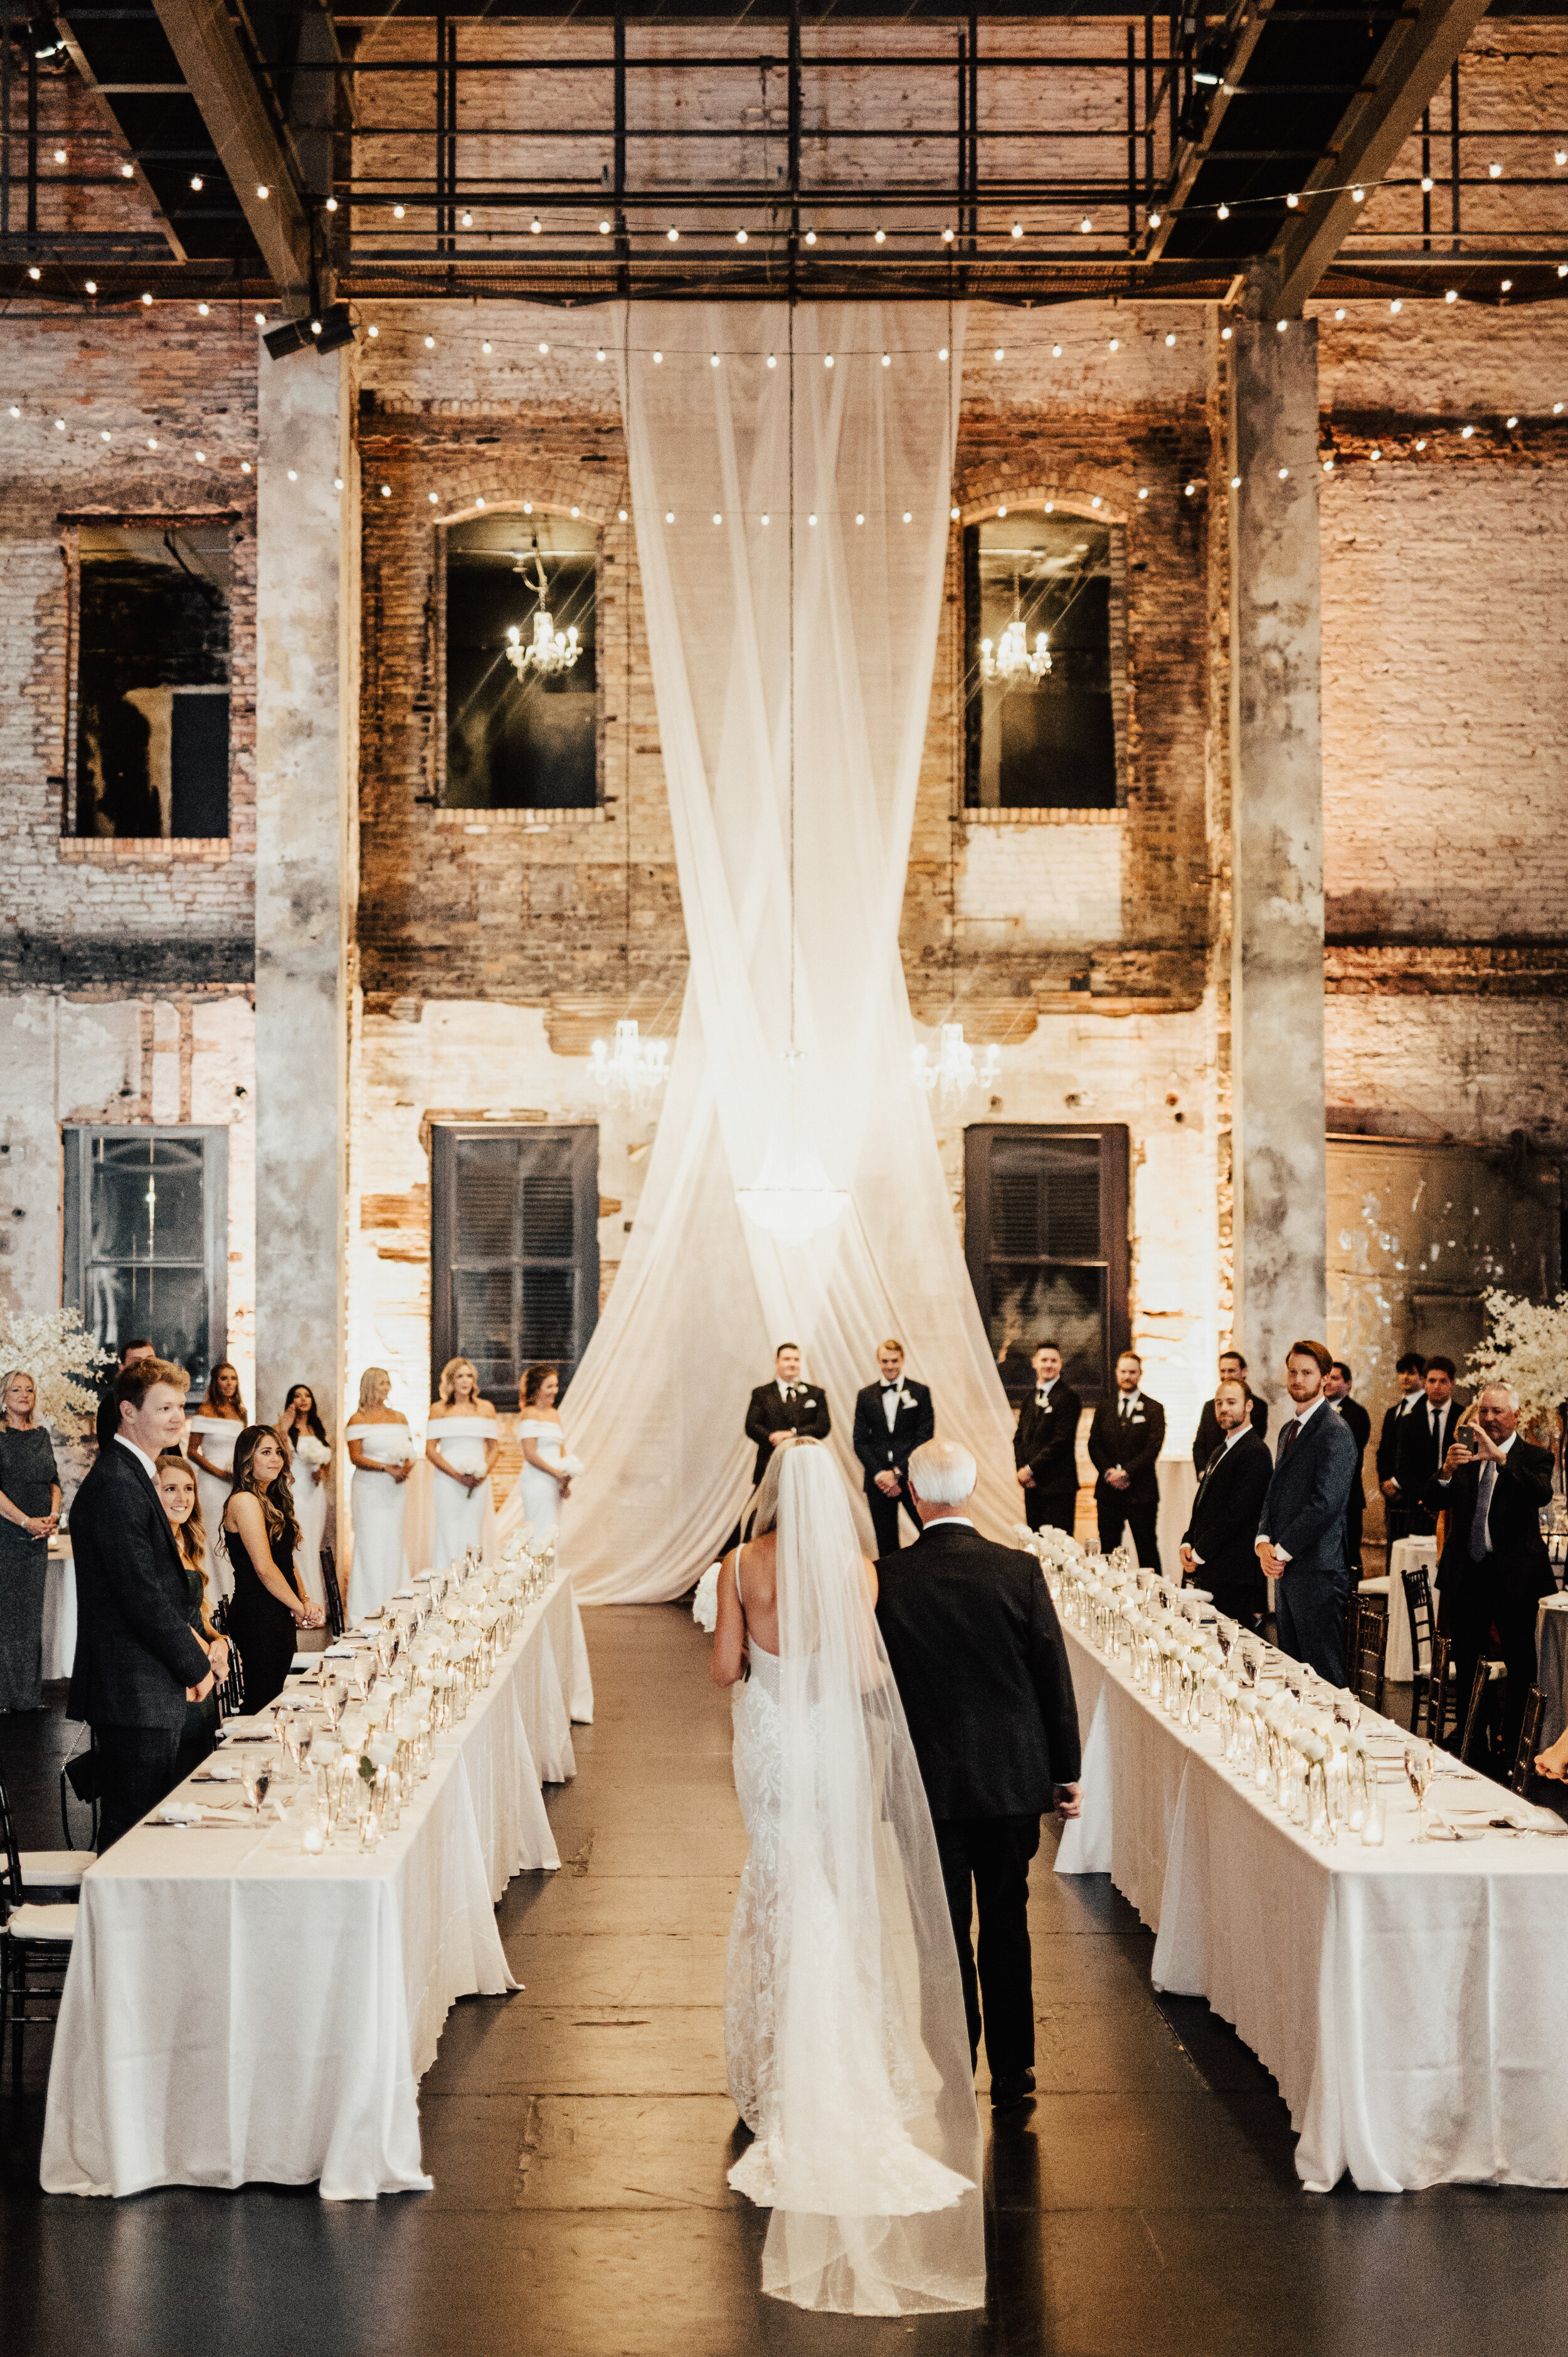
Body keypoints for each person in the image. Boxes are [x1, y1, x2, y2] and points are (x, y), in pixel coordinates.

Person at [709, 1435, 984, 2316]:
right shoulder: (859, 1571)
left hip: (769, 1737)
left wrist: (762, 1658)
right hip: (830, 1736)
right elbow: (869, 1672)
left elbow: (723, 1668)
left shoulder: (738, 1566)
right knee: (828, 1877)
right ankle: (841, 2051)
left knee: (778, 1875)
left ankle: (783, 2055)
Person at [875, 1437, 1080, 2115]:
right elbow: (1051, 1675)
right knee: (1006, 1921)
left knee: (941, 1930)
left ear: (911, 1493)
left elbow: (875, 1691)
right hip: (1009, 1779)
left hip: (926, 1782)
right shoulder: (1017, 1571)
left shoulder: (886, 1577)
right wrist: (1066, 1772)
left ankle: (955, 2061)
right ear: (967, 1492)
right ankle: (1015, 2067)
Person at [66, 1355, 216, 1849]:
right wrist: (195, 1666)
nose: (177, 1416)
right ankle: (112, 1927)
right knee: (130, 1831)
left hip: (145, 1681)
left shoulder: (134, 1475)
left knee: (144, 1825)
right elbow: (140, 1595)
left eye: (180, 1406)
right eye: (164, 1406)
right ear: (129, 1411)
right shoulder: (117, 1483)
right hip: (132, 1685)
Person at [1425, 1382, 1553, 1774]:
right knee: (1467, 1663)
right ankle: (1470, 1744)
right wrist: (1447, 1470)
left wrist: (1498, 1457)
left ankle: (1513, 1747)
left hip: (1515, 1579)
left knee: (1520, 1663)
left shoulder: (1535, 1456)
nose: (1490, 1419)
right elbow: (1433, 1500)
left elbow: (1540, 1494)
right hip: (1469, 1576)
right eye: (1484, 1411)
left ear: (1516, 1416)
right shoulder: (1463, 1460)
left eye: (1498, 1412)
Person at [1254, 1340, 1362, 1685]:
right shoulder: (1289, 1429)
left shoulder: (1336, 1431)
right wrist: (1263, 1540)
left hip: (1318, 1570)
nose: (1298, 1379)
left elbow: (1325, 1504)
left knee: (1324, 1677)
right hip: (1287, 1569)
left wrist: (1281, 1552)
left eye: (1307, 1373)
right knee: (1292, 1671)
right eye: (1293, 1372)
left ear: (1326, 1379)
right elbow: (1274, 1492)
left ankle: (1337, 1740)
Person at [222, 1425, 324, 1712]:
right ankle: (244, 1754)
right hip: (257, 1614)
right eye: (266, 1452)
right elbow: (264, 1568)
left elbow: (285, 1561)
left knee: (272, 1696)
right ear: (247, 1459)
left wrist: (302, 1600)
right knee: (261, 1702)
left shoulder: (271, 1501)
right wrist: (299, 1607)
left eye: (278, 1452)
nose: (276, 1459)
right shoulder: (244, 1501)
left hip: (276, 1610)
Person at [155, 1451, 231, 1778]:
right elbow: (166, 1617)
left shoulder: (184, 1540)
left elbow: (196, 1614)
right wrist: (206, 1655)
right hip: (176, 1675)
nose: (183, 1497)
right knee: (179, 1774)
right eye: (171, 1489)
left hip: (201, 1668)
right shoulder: (153, 1546)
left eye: (189, 1488)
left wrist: (220, 1642)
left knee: (200, 1768)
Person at [1179, 1378, 1274, 1626]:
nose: (1224, 1409)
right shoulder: (1220, 1450)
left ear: (1249, 1406)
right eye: (1219, 1403)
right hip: (1211, 1566)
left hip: (1234, 1574)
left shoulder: (1255, 1451)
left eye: (1232, 1402)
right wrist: (1187, 1540)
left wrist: (1199, 1553)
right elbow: (1202, 1504)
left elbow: (1236, 1514)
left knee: (1226, 1647)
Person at [0, 1370, 61, 1711]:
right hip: (6, 1536)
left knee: (30, 1616)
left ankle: (28, 1696)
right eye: (16, 1389)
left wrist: (52, 1517)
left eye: (29, 1390)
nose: (24, 1395)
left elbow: (53, 1481)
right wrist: (24, 1521)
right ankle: (5, 1696)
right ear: (4, 1396)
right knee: (7, 1616)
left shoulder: (41, 1435)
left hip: (36, 1537)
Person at [850, 1337, 934, 1554]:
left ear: (903, 1360)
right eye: (885, 1361)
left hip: (911, 1477)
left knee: (929, 1534)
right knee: (885, 1544)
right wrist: (880, 1474)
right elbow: (860, 1440)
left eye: (894, 1361)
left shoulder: (920, 1392)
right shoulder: (865, 1395)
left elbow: (924, 1437)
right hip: (878, 1482)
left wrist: (897, 1473)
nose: (890, 1366)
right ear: (878, 1361)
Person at [1087, 1351, 1165, 1569]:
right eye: (1123, 1372)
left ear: (1140, 1374)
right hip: (1108, 1492)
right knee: (1108, 1551)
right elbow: (1094, 1444)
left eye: (1132, 1372)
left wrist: (1126, 1473)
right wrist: (1109, 1473)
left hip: (1141, 1492)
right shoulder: (1104, 1407)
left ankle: (1156, 1598)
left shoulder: (1154, 1409)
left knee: (1147, 1549)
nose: (1127, 1376)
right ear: (1116, 1373)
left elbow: (1153, 1449)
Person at [346, 1368, 414, 1614]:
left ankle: (396, 1602)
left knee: (393, 1541)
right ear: (369, 1387)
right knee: (370, 1542)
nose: (386, 1388)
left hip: (395, 1488)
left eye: (388, 1383)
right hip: (370, 1489)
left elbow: (409, 1449)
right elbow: (355, 1457)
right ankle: (365, 1608)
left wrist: (406, 1467)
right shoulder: (357, 1419)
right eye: (380, 1384)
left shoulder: (400, 1417)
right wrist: (387, 1468)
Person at [426, 1357, 499, 1569]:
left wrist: (483, 1473)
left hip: (478, 1479)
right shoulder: (439, 1409)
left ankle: (472, 1582)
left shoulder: (486, 1408)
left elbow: (494, 1448)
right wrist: (456, 1475)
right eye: (460, 1376)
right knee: (448, 1529)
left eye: (469, 1376)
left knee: (473, 1529)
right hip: (447, 1480)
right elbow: (430, 1450)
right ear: (451, 1381)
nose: (465, 1381)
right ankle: (446, 1578)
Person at [184, 1359, 247, 1603]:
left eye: (233, 1378)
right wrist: (219, 1473)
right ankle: (213, 1598)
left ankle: (235, 1596)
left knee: (234, 1537)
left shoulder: (240, 1412)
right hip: (212, 1482)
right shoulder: (204, 1411)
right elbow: (192, 1451)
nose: (229, 1383)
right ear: (215, 1381)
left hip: (235, 1482)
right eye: (224, 1378)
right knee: (214, 1535)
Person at [1012, 1339, 1083, 1537]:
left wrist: (1030, 1469)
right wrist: (1022, 1471)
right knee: (1036, 1545)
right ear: (1035, 1363)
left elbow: (1061, 1441)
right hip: (1032, 1486)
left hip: (1058, 1487)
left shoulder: (1069, 1398)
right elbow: (1019, 1438)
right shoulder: (1029, 1398)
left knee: (1060, 1548)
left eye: (1054, 1360)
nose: (1049, 1365)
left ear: (1061, 1364)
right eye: (1044, 1360)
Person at [512, 1363, 581, 1546]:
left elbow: (561, 1450)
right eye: (549, 1386)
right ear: (537, 1389)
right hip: (537, 1482)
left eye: (556, 1385)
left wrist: (564, 1481)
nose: (555, 1391)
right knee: (539, 1532)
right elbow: (530, 1455)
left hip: (555, 1482)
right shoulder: (529, 1414)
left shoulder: (554, 1414)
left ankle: (551, 1573)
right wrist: (557, 1474)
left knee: (553, 1532)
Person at [1392, 1356, 1461, 1541]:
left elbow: (1468, 1465)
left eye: (1443, 1381)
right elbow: (1403, 1469)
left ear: (1452, 1383)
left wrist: (1446, 1500)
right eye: (1432, 1380)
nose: (1437, 1386)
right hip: (1418, 1506)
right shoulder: (1409, 1421)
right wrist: (1429, 1499)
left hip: (1456, 1508)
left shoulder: (1464, 1418)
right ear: (1424, 1383)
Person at [743, 1344, 831, 1488]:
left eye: (796, 1359)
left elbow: (823, 1426)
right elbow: (751, 1425)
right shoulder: (761, 1393)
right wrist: (772, 1436)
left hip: (805, 1463)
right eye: (787, 1359)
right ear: (777, 1362)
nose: (792, 1363)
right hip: (770, 1462)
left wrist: (792, 1434)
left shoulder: (816, 1393)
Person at [279, 1381, 331, 1610]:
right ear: (291, 1401)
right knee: (298, 1545)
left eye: (307, 1396)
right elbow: (282, 1460)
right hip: (295, 1492)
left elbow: (327, 1461)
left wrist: (322, 1474)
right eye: (297, 1396)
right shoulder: (284, 1428)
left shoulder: (317, 1429)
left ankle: (316, 1603)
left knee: (312, 1545)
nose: (303, 1400)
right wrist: (283, 1428)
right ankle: (300, 1604)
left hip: (315, 1494)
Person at [1323, 1360, 1372, 1575]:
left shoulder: (1357, 1414)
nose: (1329, 1383)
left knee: (1349, 1553)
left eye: (1335, 1378)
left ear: (1349, 1384)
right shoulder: (1317, 1411)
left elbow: (1348, 1453)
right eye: (1327, 1377)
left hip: (1347, 1495)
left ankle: (1351, 1603)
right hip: (1322, 1496)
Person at [1375, 1351, 1428, 1545]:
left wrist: (1399, 1482)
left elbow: (1421, 1454)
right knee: (1394, 1547)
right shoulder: (1393, 1412)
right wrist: (1385, 1482)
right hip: (1392, 1493)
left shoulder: (1428, 1410)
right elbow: (1383, 1451)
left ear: (1423, 1377)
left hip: (1416, 1492)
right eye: (1402, 1372)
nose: (1405, 1377)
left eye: (1411, 1372)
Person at [1190, 1350, 1268, 1469]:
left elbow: (1249, 1443)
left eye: (1231, 1371)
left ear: (1244, 1371)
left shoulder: (1259, 1406)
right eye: (1223, 1371)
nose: (1226, 1376)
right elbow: (1199, 1445)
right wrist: (1204, 1473)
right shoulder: (1209, 1406)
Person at [95, 1337, 156, 1450]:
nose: (144, 1366)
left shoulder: (164, 1398)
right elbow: (109, 1450)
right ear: (122, 1368)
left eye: (149, 1360)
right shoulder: (110, 1405)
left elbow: (174, 1451)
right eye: (136, 1362)